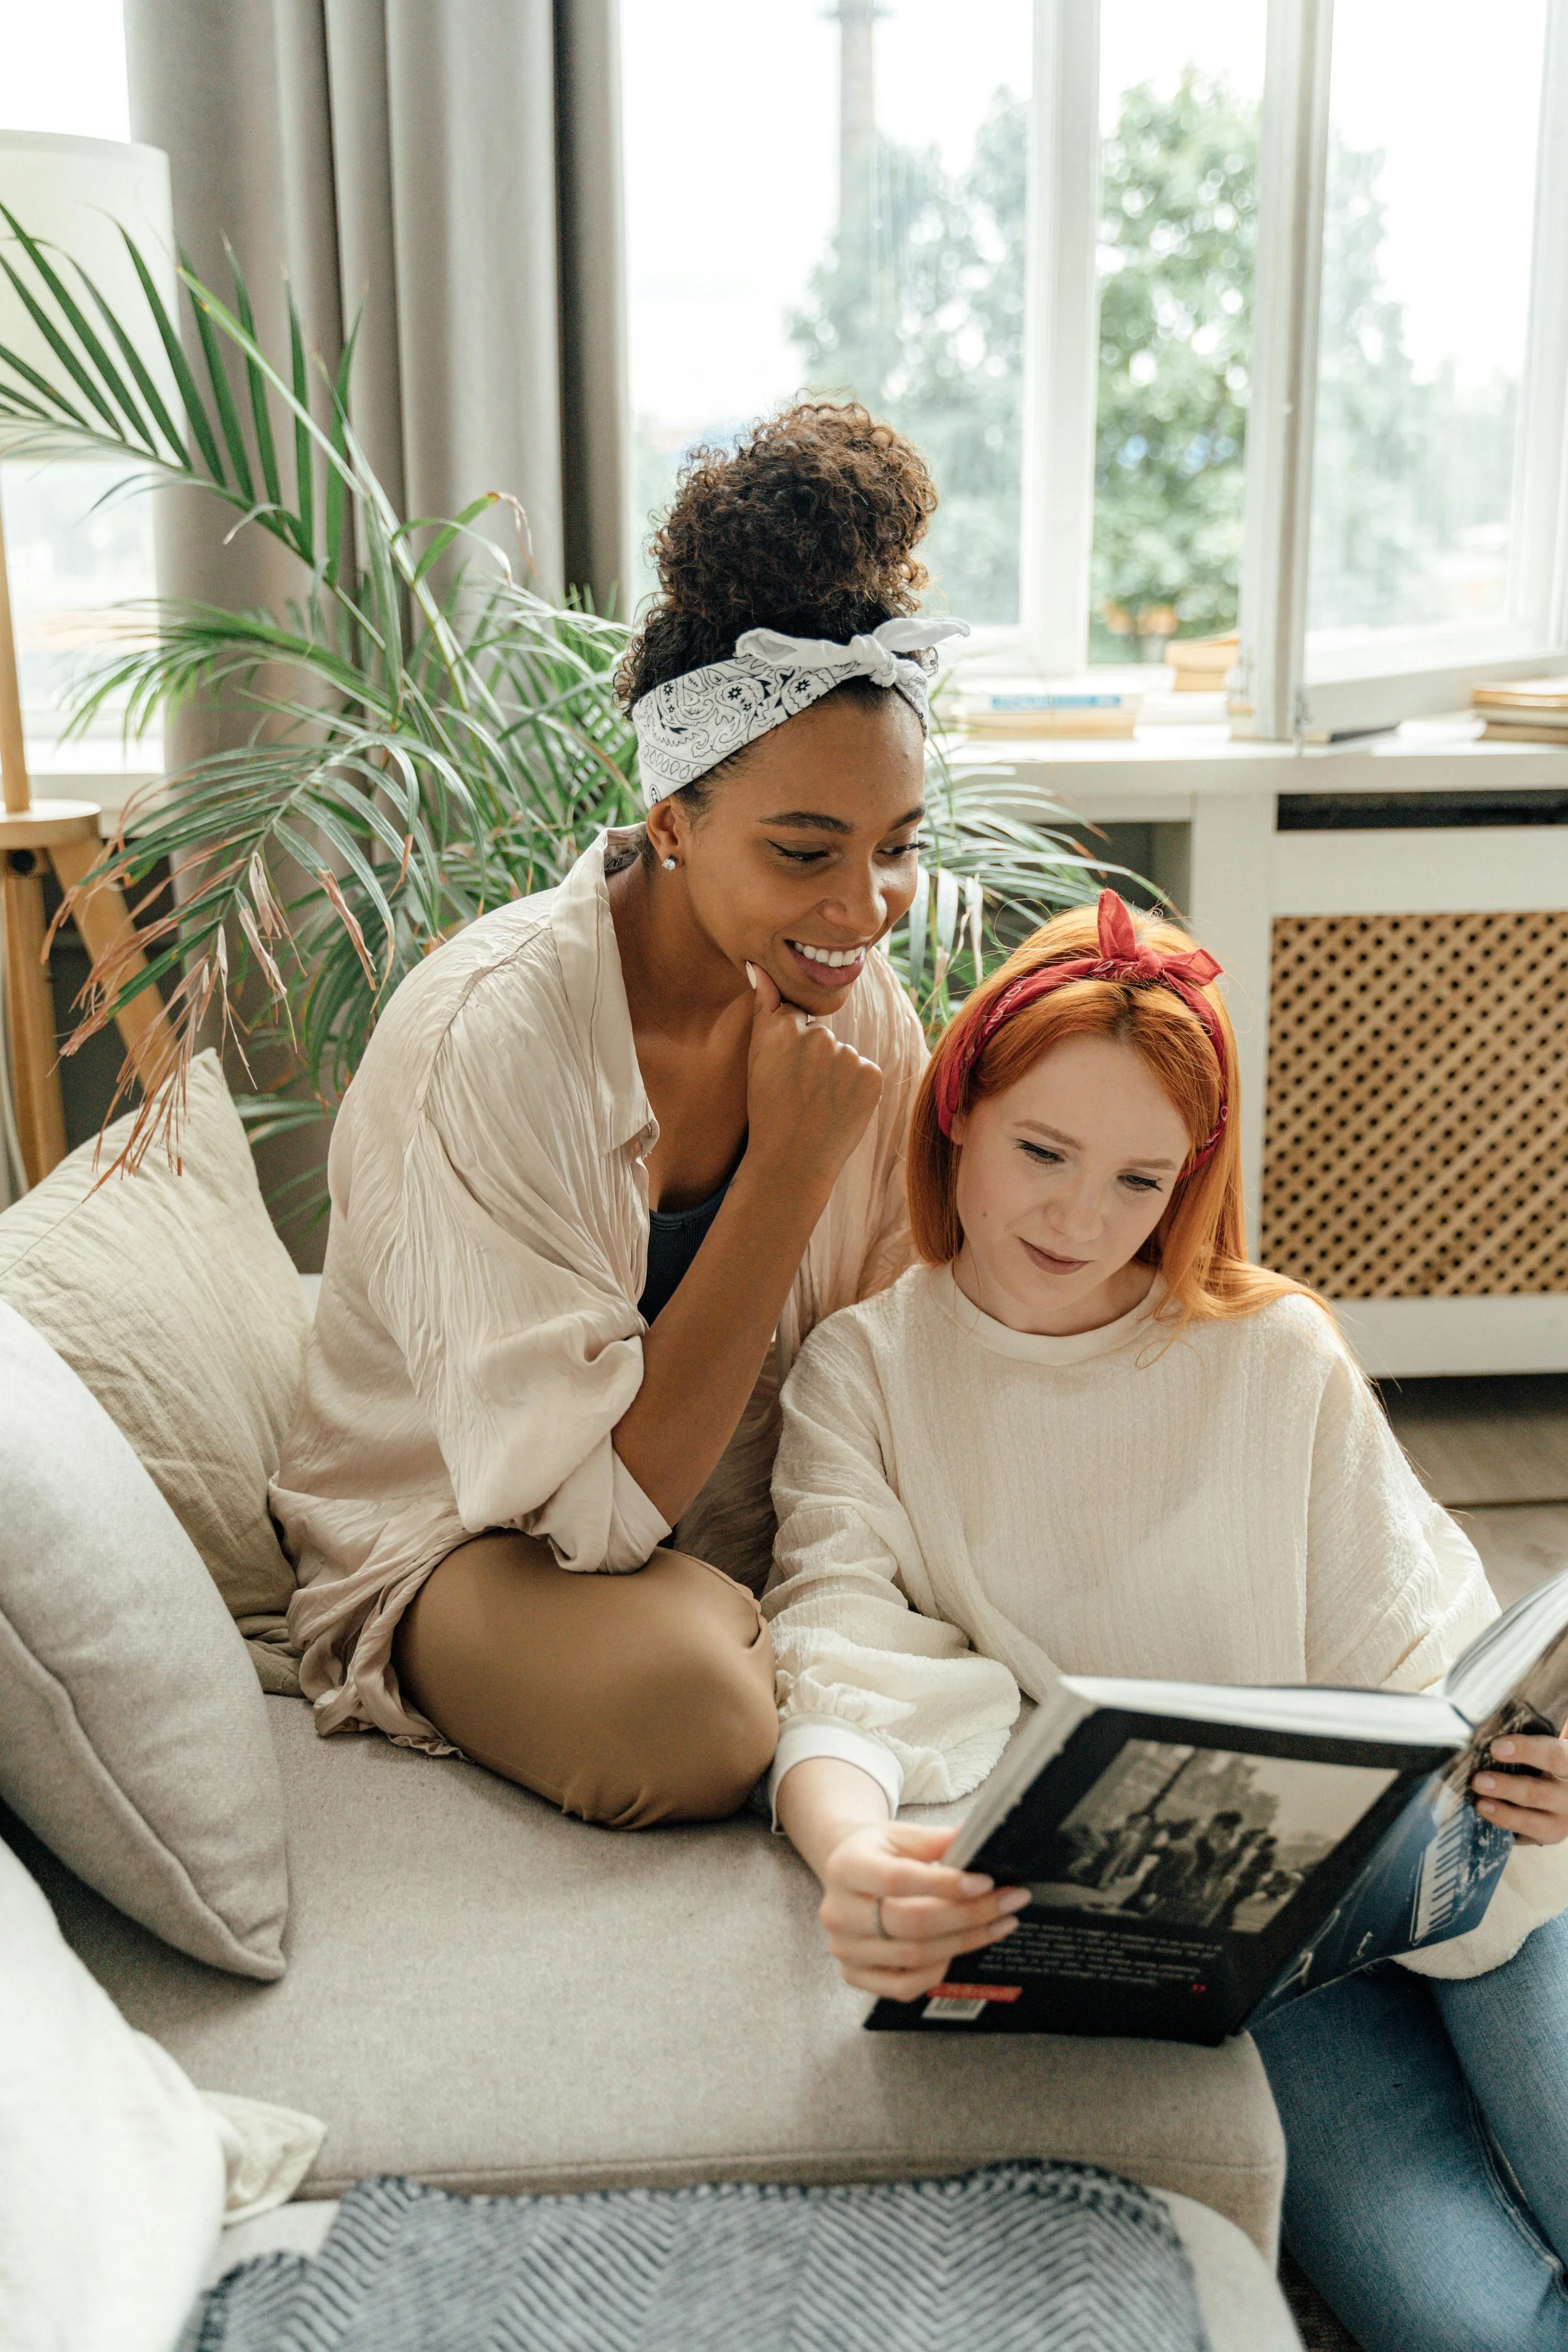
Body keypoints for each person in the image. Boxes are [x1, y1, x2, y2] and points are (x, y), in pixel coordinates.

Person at [764, 889, 1568, 2352]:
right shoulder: (868, 1369)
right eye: (1041, 1152)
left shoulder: (1270, 1352)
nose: (1079, 1218)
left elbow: (1428, 1645)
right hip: (1257, 1975)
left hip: (1477, 1896)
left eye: (1139, 1181)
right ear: (956, 1112)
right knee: (1468, 2330)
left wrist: (1538, 1780)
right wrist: (847, 1852)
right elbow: (831, 1639)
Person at [270, 402, 953, 1828]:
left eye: (895, 850)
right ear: (669, 822)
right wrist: (782, 1180)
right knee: (695, 1718)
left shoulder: (850, 1000)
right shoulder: (492, 1037)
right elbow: (585, 1523)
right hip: (474, 1540)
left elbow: (891, 1348)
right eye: (804, 852)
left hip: (727, 1530)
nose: (861, 909)